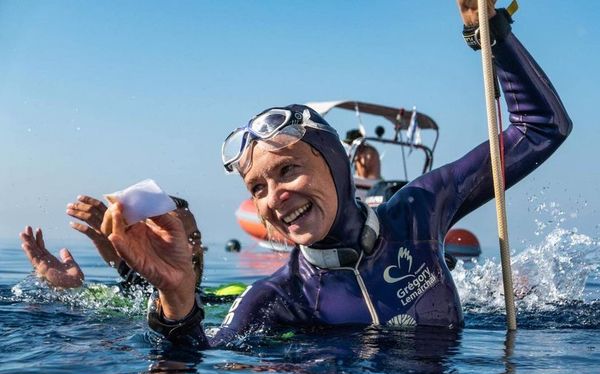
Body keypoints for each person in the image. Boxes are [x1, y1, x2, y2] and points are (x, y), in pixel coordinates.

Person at [101, 0, 572, 347]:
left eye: (287, 170)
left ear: (336, 166)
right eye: (257, 188)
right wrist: (177, 299)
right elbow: (197, 362)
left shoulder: (419, 212)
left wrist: (493, 32)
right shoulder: (277, 297)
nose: (274, 196)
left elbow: (542, 127)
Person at [20, 195, 204, 291]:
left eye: (195, 238)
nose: (189, 248)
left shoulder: (226, 300)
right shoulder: (118, 298)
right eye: (172, 240)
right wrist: (66, 292)